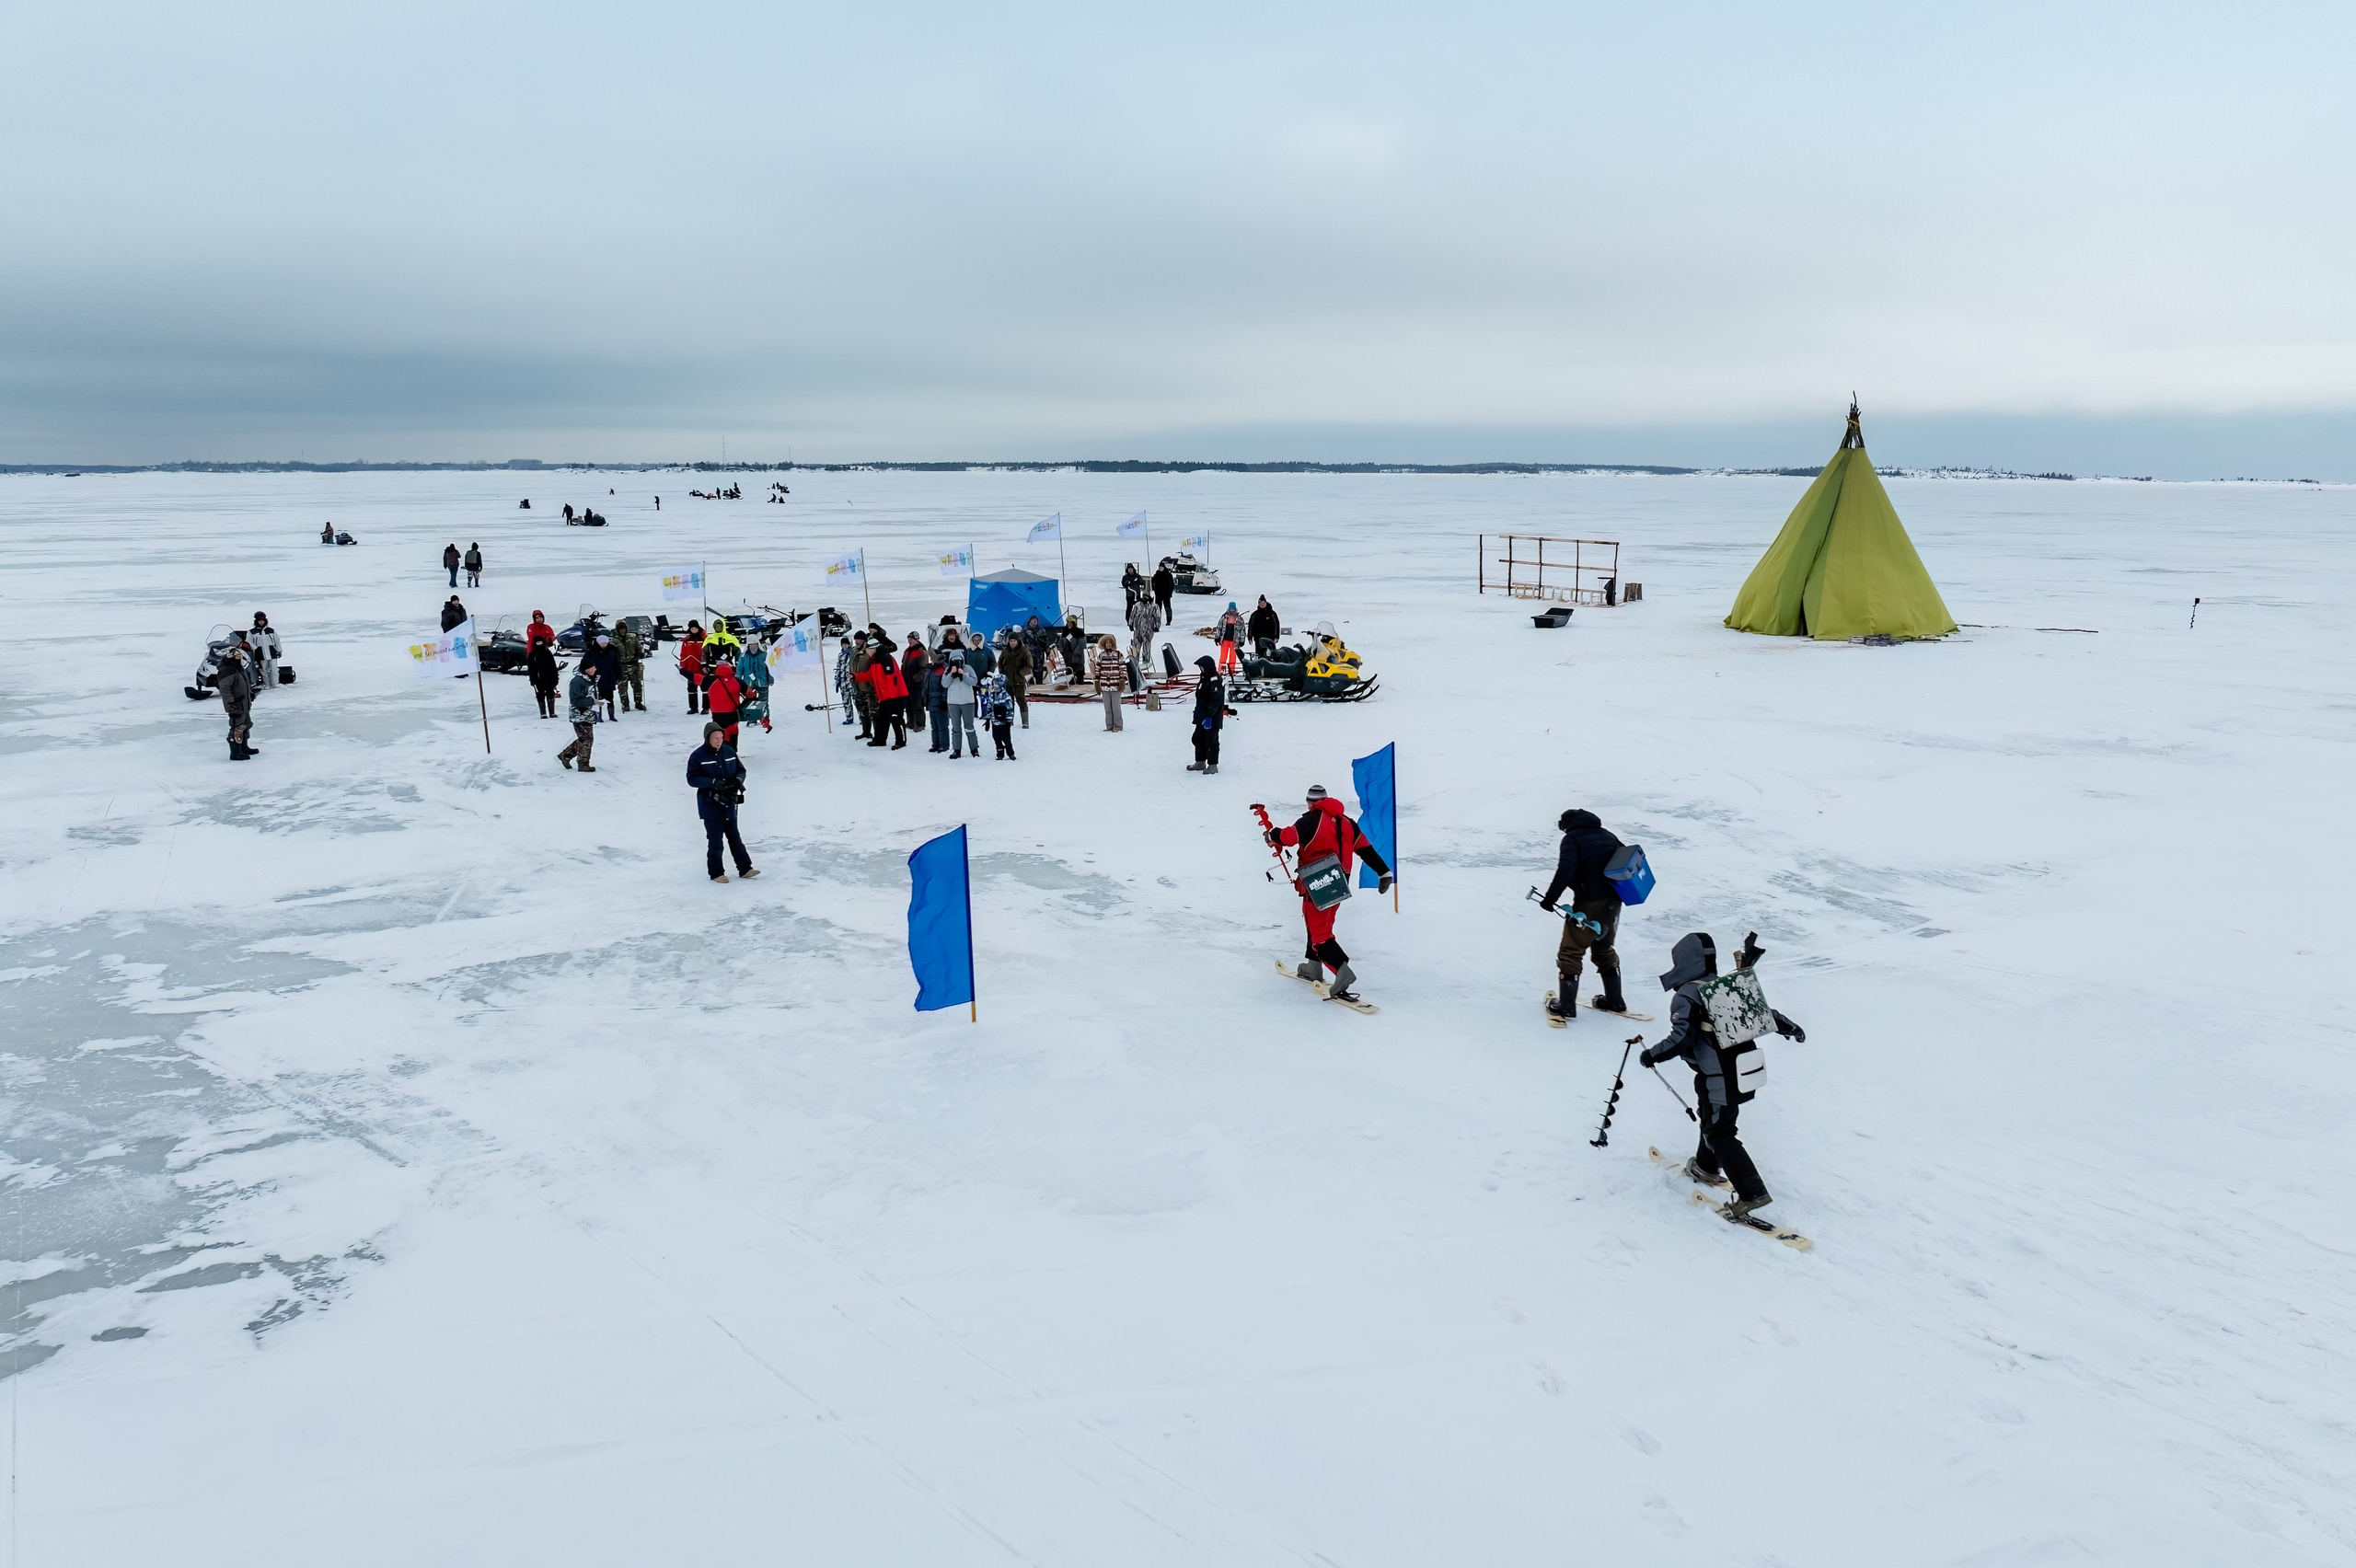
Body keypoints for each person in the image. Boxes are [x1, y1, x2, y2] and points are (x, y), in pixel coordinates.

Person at [1639, 934, 1806, 1221]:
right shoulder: (1722, 985)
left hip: (1720, 1076)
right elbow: (1761, 1013)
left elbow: (1682, 1038)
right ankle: (1705, 1166)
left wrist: (1652, 1055)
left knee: (1720, 1132)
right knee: (1711, 1117)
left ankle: (1752, 1194)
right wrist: (1789, 1026)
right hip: (1740, 1070)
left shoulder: (1687, 994)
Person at [1267, 785, 1392, 1002]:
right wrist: (1384, 872)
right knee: (1319, 924)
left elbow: (1287, 838)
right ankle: (1313, 967)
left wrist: (1272, 834)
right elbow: (1366, 850)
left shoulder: (1310, 820)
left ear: (1310, 802)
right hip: (1340, 881)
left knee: (1319, 935)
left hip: (1318, 881)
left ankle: (1342, 972)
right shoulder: (1347, 823)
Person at [1536, 809, 1628, 1020]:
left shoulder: (1572, 838)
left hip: (1589, 901)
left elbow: (1565, 870)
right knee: (1603, 946)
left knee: (1571, 950)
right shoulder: (1608, 835)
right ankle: (1615, 1001)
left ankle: (1566, 1006)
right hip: (1614, 901)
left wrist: (1550, 899)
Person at [686, 721, 760, 883]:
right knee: (715, 841)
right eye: (715, 738)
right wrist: (712, 782)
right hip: (710, 805)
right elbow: (692, 778)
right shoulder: (698, 756)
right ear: (708, 738)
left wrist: (739, 781)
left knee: (735, 838)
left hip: (729, 803)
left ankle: (745, 869)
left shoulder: (729, 751)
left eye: (721, 737)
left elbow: (741, 770)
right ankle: (716, 872)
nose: (719, 741)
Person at [1186, 654, 1236, 774]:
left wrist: (1209, 715)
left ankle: (1213, 765)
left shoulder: (1215, 680)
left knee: (1211, 741)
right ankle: (1200, 762)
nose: (1200, 669)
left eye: (1202, 667)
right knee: (1197, 739)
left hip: (1211, 718)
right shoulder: (1205, 678)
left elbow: (1217, 700)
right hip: (1201, 716)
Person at [217, 637, 257, 761]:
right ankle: (235, 752)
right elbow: (225, 689)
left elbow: (244, 683)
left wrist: (250, 693)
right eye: (237, 658)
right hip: (236, 705)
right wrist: (231, 703)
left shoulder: (238, 667)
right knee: (237, 727)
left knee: (246, 724)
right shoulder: (226, 671)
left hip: (244, 703)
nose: (239, 660)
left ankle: (243, 747)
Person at [941, 642, 980, 757]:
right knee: (956, 728)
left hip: (967, 701)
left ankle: (974, 749)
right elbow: (944, 684)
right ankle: (956, 750)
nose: (957, 663)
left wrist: (964, 675)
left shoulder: (968, 668)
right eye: (954, 661)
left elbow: (974, 681)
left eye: (959, 661)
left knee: (969, 726)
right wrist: (951, 674)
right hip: (953, 702)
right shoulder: (948, 670)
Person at [557, 663, 598, 771]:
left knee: (584, 738)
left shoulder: (590, 679)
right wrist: (592, 701)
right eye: (593, 667)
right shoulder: (577, 682)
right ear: (587, 669)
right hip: (579, 715)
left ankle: (566, 755)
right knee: (586, 739)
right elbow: (575, 700)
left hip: (588, 713)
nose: (595, 669)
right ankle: (583, 764)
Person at [867, 645, 908, 749]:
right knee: (882, 718)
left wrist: (893, 696)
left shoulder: (886, 658)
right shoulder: (875, 661)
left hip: (896, 695)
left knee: (896, 719)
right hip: (885, 696)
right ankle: (880, 740)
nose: (866, 652)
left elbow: (892, 678)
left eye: (867, 649)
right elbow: (870, 675)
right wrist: (855, 676)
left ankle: (901, 741)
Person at [704, 651, 745, 745]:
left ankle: (723, 753)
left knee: (721, 734)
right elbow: (750, 695)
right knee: (734, 731)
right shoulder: (737, 681)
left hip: (718, 715)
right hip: (734, 714)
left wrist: (682, 670)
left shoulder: (710, 681)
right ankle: (733, 752)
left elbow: (694, 678)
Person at [997, 631, 1033, 728]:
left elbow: (1029, 665)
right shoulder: (1005, 650)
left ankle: (1025, 722)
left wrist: (1020, 673)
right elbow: (1000, 661)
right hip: (1007, 680)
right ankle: (1009, 719)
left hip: (1019, 680)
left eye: (1014, 641)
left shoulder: (1024, 651)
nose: (1012, 643)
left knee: (1021, 700)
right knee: (1008, 701)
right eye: (1011, 641)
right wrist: (1002, 672)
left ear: (1018, 641)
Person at [734, 640, 771, 732]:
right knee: (750, 702)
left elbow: (770, 668)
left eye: (755, 644)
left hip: (762, 682)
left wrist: (771, 679)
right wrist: (738, 680)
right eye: (751, 644)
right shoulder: (744, 656)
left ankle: (765, 719)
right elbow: (740, 668)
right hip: (748, 683)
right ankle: (752, 719)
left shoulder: (764, 655)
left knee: (764, 702)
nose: (753, 646)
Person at [1092, 633, 1126, 732]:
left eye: (1110, 643)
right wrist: (1097, 682)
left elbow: (1123, 668)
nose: (1108, 645)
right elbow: (1097, 669)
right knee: (1107, 708)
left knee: (1116, 708)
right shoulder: (1101, 655)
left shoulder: (1119, 654)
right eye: (1106, 643)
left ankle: (1118, 726)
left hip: (1116, 685)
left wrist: (1122, 680)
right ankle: (1109, 726)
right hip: (1104, 685)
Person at [848, 632, 877, 739]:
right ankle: (866, 732)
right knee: (862, 711)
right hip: (857, 686)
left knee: (873, 712)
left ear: (864, 640)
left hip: (869, 688)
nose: (856, 641)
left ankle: (878, 735)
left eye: (858, 639)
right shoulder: (853, 651)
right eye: (855, 639)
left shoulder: (869, 652)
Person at [982, 673, 1018, 760]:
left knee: (1006, 738)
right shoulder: (992, 695)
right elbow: (989, 708)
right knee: (996, 738)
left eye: (996, 684)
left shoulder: (1006, 696)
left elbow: (1010, 709)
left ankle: (1010, 753)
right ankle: (1000, 753)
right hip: (995, 722)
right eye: (994, 683)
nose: (994, 685)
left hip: (1004, 722)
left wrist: (1009, 721)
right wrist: (987, 719)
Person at [614, 619, 647, 712]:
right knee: (622, 687)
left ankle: (638, 703)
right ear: (617, 629)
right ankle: (625, 704)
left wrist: (640, 654)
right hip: (621, 667)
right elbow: (612, 654)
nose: (622, 630)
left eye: (623, 628)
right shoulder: (614, 641)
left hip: (633, 664)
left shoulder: (632, 637)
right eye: (620, 629)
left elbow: (639, 648)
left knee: (637, 685)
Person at [588, 633, 621, 721]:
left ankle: (611, 716)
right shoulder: (591, 651)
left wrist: (619, 677)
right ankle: (598, 716)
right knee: (598, 698)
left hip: (609, 677)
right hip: (596, 678)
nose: (603, 645)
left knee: (610, 698)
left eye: (605, 644)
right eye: (602, 644)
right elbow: (586, 664)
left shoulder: (613, 651)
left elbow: (617, 664)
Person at [526, 633, 560, 718]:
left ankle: (552, 712)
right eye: (537, 643)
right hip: (538, 679)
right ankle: (543, 713)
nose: (539, 644)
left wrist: (556, 678)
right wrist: (533, 680)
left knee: (550, 694)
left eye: (540, 642)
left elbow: (553, 666)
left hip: (549, 678)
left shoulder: (548, 653)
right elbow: (531, 669)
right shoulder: (532, 655)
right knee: (540, 695)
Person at [1126, 591, 1162, 666]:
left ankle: (1146, 662)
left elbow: (1157, 617)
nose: (1145, 598)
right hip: (1138, 629)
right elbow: (1132, 615)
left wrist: (1157, 626)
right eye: (1144, 596)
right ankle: (1135, 662)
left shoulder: (1154, 606)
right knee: (1136, 646)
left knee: (1147, 646)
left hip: (1148, 630)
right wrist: (1130, 624)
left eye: (1147, 596)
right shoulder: (1138, 605)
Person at [678, 624, 707, 714]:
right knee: (691, 689)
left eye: (695, 628)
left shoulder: (704, 639)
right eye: (692, 629)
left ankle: (706, 708)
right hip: (691, 668)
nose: (694, 630)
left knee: (705, 689)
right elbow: (683, 654)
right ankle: (693, 708)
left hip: (702, 667)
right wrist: (683, 665)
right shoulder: (687, 641)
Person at [249, 612, 282, 690]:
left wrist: (279, 650)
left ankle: (274, 684)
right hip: (260, 654)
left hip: (272, 653)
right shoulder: (251, 632)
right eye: (259, 620)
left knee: (274, 669)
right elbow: (249, 642)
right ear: (256, 621)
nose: (261, 622)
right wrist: (255, 649)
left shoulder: (271, 631)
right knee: (264, 670)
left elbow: (277, 641)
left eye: (263, 620)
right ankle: (267, 684)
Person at [1247, 595, 1280, 660]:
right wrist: (1250, 637)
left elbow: (1277, 624)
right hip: (1258, 638)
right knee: (1260, 655)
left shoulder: (1272, 614)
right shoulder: (1254, 614)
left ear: (1266, 603)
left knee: (1271, 654)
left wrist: (1276, 636)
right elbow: (1251, 626)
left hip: (1270, 638)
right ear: (1259, 604)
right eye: (1261, 603)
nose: (1262, 604)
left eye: (1263, 603)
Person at [1215, 601, 1244, 673]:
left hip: (1234, 642)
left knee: (1233, 658)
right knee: (1223, 657)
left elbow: (1242, 630)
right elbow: (1219, 627)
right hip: (1225, 640)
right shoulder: (1224, 617)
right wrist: (1217, 637)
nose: (1232, 609)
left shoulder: (1239, 619)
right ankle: (1221, 671)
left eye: (1233, 608)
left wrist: (1242, 640)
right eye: (1230, 608)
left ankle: (1232, 671)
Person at [1152, 559, 1176, 626]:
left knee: (1167, 608)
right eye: (1160, 567)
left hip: (1166, 594)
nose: (1161, 568)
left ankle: (1169, 620)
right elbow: (1153, 582)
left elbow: (1172, 584)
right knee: (1158, 608)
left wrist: (1170, 592)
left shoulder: (1168, 575)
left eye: (1162, 567)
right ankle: (1157, 620)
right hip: (1158, 594)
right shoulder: (1156, 575)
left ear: (1164, 568)